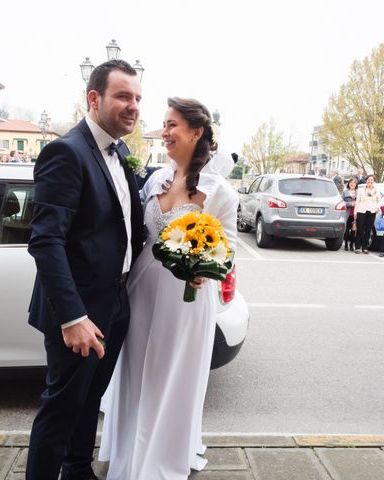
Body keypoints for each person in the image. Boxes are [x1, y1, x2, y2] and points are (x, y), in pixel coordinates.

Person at [99, 97, 238, 479]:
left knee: (170, 374)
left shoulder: (220, 191)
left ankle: (162, 454)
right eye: (164, 124)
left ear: (197, 132)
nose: (165, 131)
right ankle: (130, 449)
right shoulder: (156, 178)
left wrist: (205, 268)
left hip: (186, 296)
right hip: (142, 287)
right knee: (136, 369)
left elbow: (229, 247)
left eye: (173, 124)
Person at [25, 59, 145, 480]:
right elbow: (45, 240)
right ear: (94, 99)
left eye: (137, 98)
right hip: (78, 314)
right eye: (123, 96)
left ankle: (77, 470)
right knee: (61, 407)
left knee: (90, 399)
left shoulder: (122, 151)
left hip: (115, 303)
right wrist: (73, 317)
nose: (133, 106)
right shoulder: (66, 152)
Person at [354, 174, 380, 254]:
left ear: (374, 181)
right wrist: (355, 212)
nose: (370, 181)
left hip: (372, 212)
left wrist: (377, 208)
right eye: (369, 180)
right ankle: (357, 247)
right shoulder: (362, 190)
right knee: (360, 230)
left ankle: (365, 248)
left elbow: (379, 201)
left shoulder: (376, 191)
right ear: (366, 180)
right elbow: (357, 202)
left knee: (368, 230)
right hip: (361, 211)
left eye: (372, 180)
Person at [343, 177, 358, 251]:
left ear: (356, 184)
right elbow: (342, 202)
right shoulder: (345, 192)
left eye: (354, 183)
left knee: (353, 230)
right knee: (346, 230)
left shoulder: (358, 192)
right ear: (349, 184)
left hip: (355, 214)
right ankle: (346, 244)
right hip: (347, 213)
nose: (352, 184)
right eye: (351, 182)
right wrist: (350, 204)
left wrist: (356, 203)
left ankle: (351, 245)